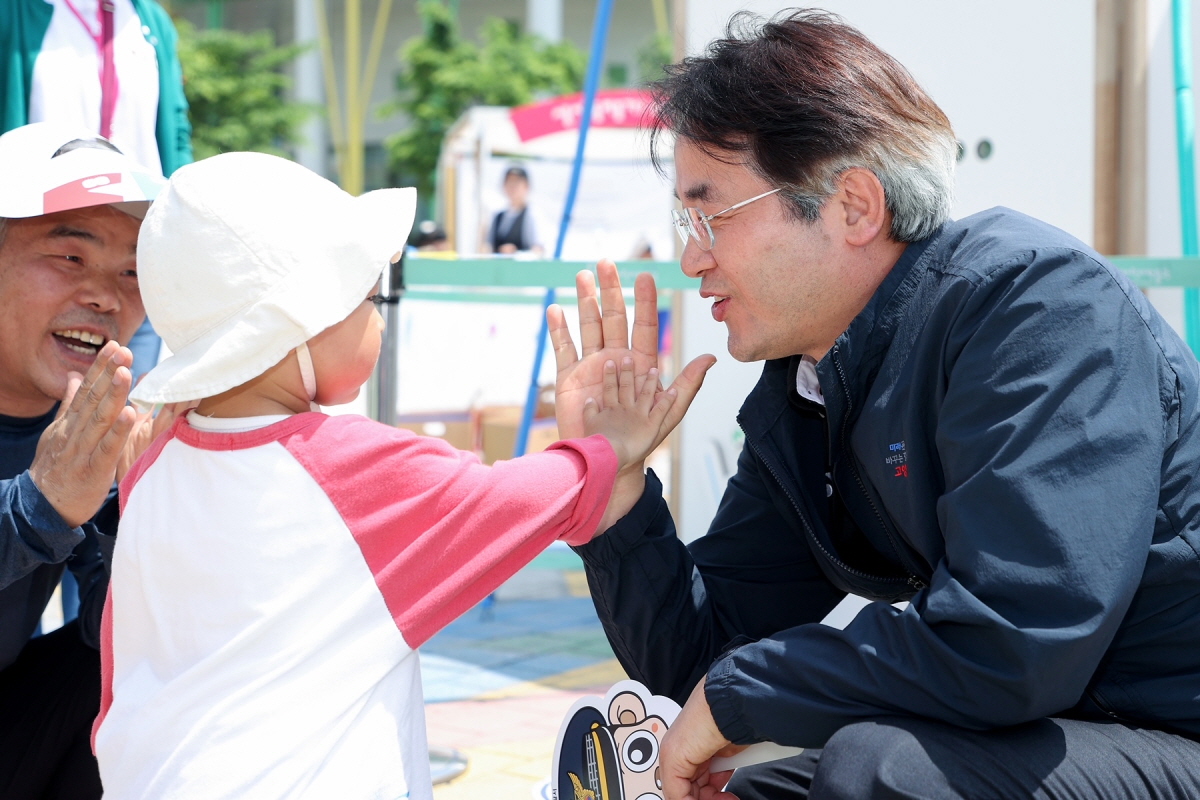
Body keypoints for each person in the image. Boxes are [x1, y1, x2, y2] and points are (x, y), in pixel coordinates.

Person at [546, 10, 1200, 800]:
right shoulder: (810, 388)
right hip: (1057, 733)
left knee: (879, 773)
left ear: (853, 206)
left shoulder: (1037, 309)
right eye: (684, 222)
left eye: (710, 215)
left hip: (1167, 728)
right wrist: (617, 495)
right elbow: (707, 659)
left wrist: (740, 696)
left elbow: (1011, 643)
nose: (691, 257)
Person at [92, 152, 713, 798]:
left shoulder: (151, 462)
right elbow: (514, 501)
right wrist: (607, 446)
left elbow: (121, 669)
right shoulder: (347, 471)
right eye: (366, 298)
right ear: (297, 322)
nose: (379, 319)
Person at [0, 122, 179, 799]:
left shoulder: (92, 419)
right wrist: (40, 507)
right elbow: (37, 511)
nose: (106, 295)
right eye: (71, 258)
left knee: (122, 667)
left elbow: (131, 637)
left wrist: (134, 518)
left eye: (133, 271)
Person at [1, 0, 194, 383]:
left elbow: (174, 131)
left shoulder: (150, 21)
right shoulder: (16, 10)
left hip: (138, 248)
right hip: (45, 233)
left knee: (121, 406)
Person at [488, 164, 543, 255]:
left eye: (517, 183)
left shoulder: (533, 215)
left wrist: (516, 253)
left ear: (526, 186)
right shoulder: (498, 216)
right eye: (509, 182)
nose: (512, 187)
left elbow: (539, 250)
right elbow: (488, 248)